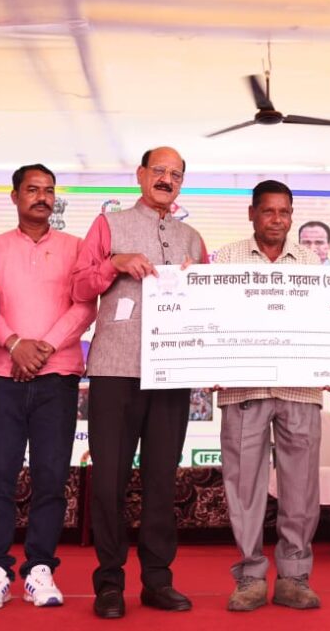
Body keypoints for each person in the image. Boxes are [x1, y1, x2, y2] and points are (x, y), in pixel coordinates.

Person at [71, 147, 206, 619]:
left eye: (176, 174)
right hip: (116, 368)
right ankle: (109, 583)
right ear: (141, 175)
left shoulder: (192, 238)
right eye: (159, 171)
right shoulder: (109, 226)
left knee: (161, 481)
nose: (167, 179)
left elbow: (207, 304)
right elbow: (79, 287)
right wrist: (114, 263)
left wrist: (200, 283)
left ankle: (157, 580)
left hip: (172, 371)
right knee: (108, 481)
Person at [0, 164, 96, 610]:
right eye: (32, 189)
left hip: (57, 377)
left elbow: (86, 305)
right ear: (15, 196)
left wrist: (43, 348)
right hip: (2, 377)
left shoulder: (78, 248)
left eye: (48, 190)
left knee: (51, 479)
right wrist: (14, 344)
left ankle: (40, 569)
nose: (42, 197)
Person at [213, 180, 324, 612]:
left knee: (302, 486)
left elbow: (324, 320)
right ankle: (251, 576)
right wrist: (206, 362)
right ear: (252, 214)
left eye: (284, 212)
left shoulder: (311, 261)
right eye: (268, 211)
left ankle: (294, 576)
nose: (277, 220)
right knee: (243, 486)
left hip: (300, 386)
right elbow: (212, 318)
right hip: (244, 387)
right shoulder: (226, 259)